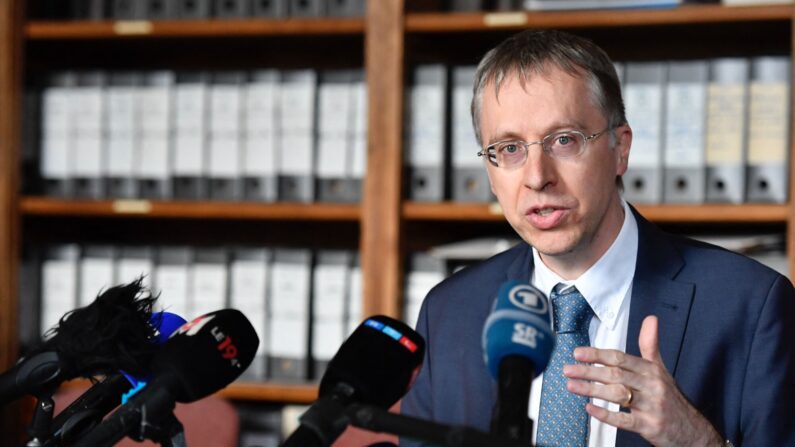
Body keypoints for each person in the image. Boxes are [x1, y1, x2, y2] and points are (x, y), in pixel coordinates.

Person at [400, 29, 795, 447]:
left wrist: (696, 440)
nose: (538, 177)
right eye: (510, 148)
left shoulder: (750, 306)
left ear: (619, 148)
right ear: (490, 172)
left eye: (564, 140)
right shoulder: (450, 311)